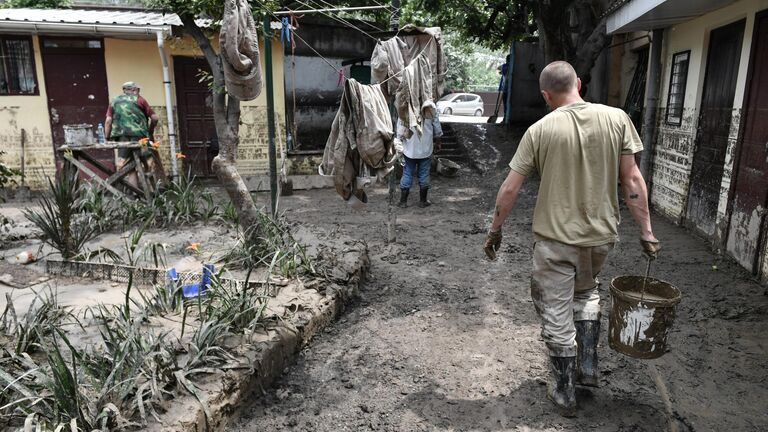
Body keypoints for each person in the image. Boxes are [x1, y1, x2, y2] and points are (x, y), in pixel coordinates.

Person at [483, 61, 661, 416]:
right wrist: (647, 231)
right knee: (586, 291)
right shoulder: (617, 119)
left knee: (555, 309)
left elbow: (510, 188)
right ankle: (589, 365)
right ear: (578, 83)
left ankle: (564, 391)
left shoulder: (540, 129)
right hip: (599, 239)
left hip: (555, 241)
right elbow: (633, 181)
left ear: (546, 95)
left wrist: (495, 229)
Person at [398, 101, 443, 208]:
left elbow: (399, 127)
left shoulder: (405, 106)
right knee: (424, 174)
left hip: (409, 148)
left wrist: (398, 142)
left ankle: (403, 201)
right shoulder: (430, 106)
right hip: (425, 148)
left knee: (407, 173)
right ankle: (423, 201)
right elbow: (436, 125)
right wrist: (438, 141)